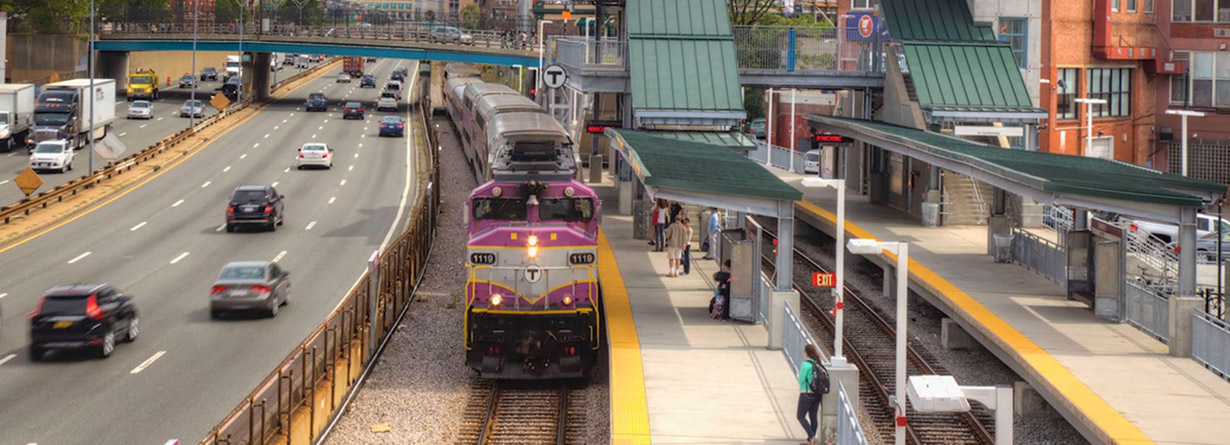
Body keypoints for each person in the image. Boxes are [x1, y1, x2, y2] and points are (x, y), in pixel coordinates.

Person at [797, 344, 824, 445]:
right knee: (813, 416)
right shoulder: (818, 363)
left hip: (806, 393)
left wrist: (798, 375)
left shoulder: (805, 364)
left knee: (800, 416)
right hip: (817, 394)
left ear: (806, 353)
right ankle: (810, 439)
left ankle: (811, 436)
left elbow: (801, 380)